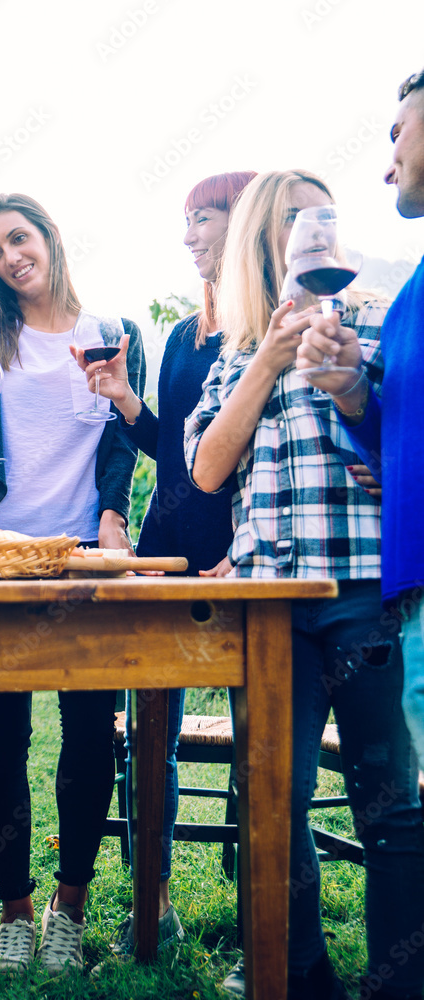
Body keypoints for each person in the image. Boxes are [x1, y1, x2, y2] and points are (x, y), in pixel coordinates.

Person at [185, 170, 424, 1000]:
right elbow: (209, 470)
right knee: (271, 804)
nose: (306, 239)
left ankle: (399, 984)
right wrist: (267, 363)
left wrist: (363, 397)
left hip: (360, 592)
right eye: (288, 224)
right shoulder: (233, 354)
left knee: (389, 804)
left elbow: (406, 441)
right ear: (262, 241)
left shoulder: (372, 324)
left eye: (316, 223)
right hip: (269, 609)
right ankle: (300, 977)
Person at [0, 192, 145, 975]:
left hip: (85, 555)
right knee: (6, 734)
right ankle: (16, 913)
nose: (8, 257)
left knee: (92, 735)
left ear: (49, 236)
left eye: (17, 239)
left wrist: (118, 512)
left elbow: (124, 438)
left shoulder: (113, 334)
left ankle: (72, 907)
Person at [71, 171, 255, 967]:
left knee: (262, 744)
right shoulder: (184, 338)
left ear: (244, 223)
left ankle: (267, 924)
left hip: (242, 567)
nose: (189, 236)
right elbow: (179, 451)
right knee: (157, 738)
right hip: (166, 558)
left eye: (203, 219)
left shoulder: (265, 332)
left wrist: (240, 554)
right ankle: (159, 905)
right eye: (184, 221)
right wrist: (125, 403)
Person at [296, 68, 424, 782]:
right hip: (410, 597)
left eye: (398, 132)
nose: (387, 165)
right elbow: (395, 444)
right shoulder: (412, 296)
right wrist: (351, 393)